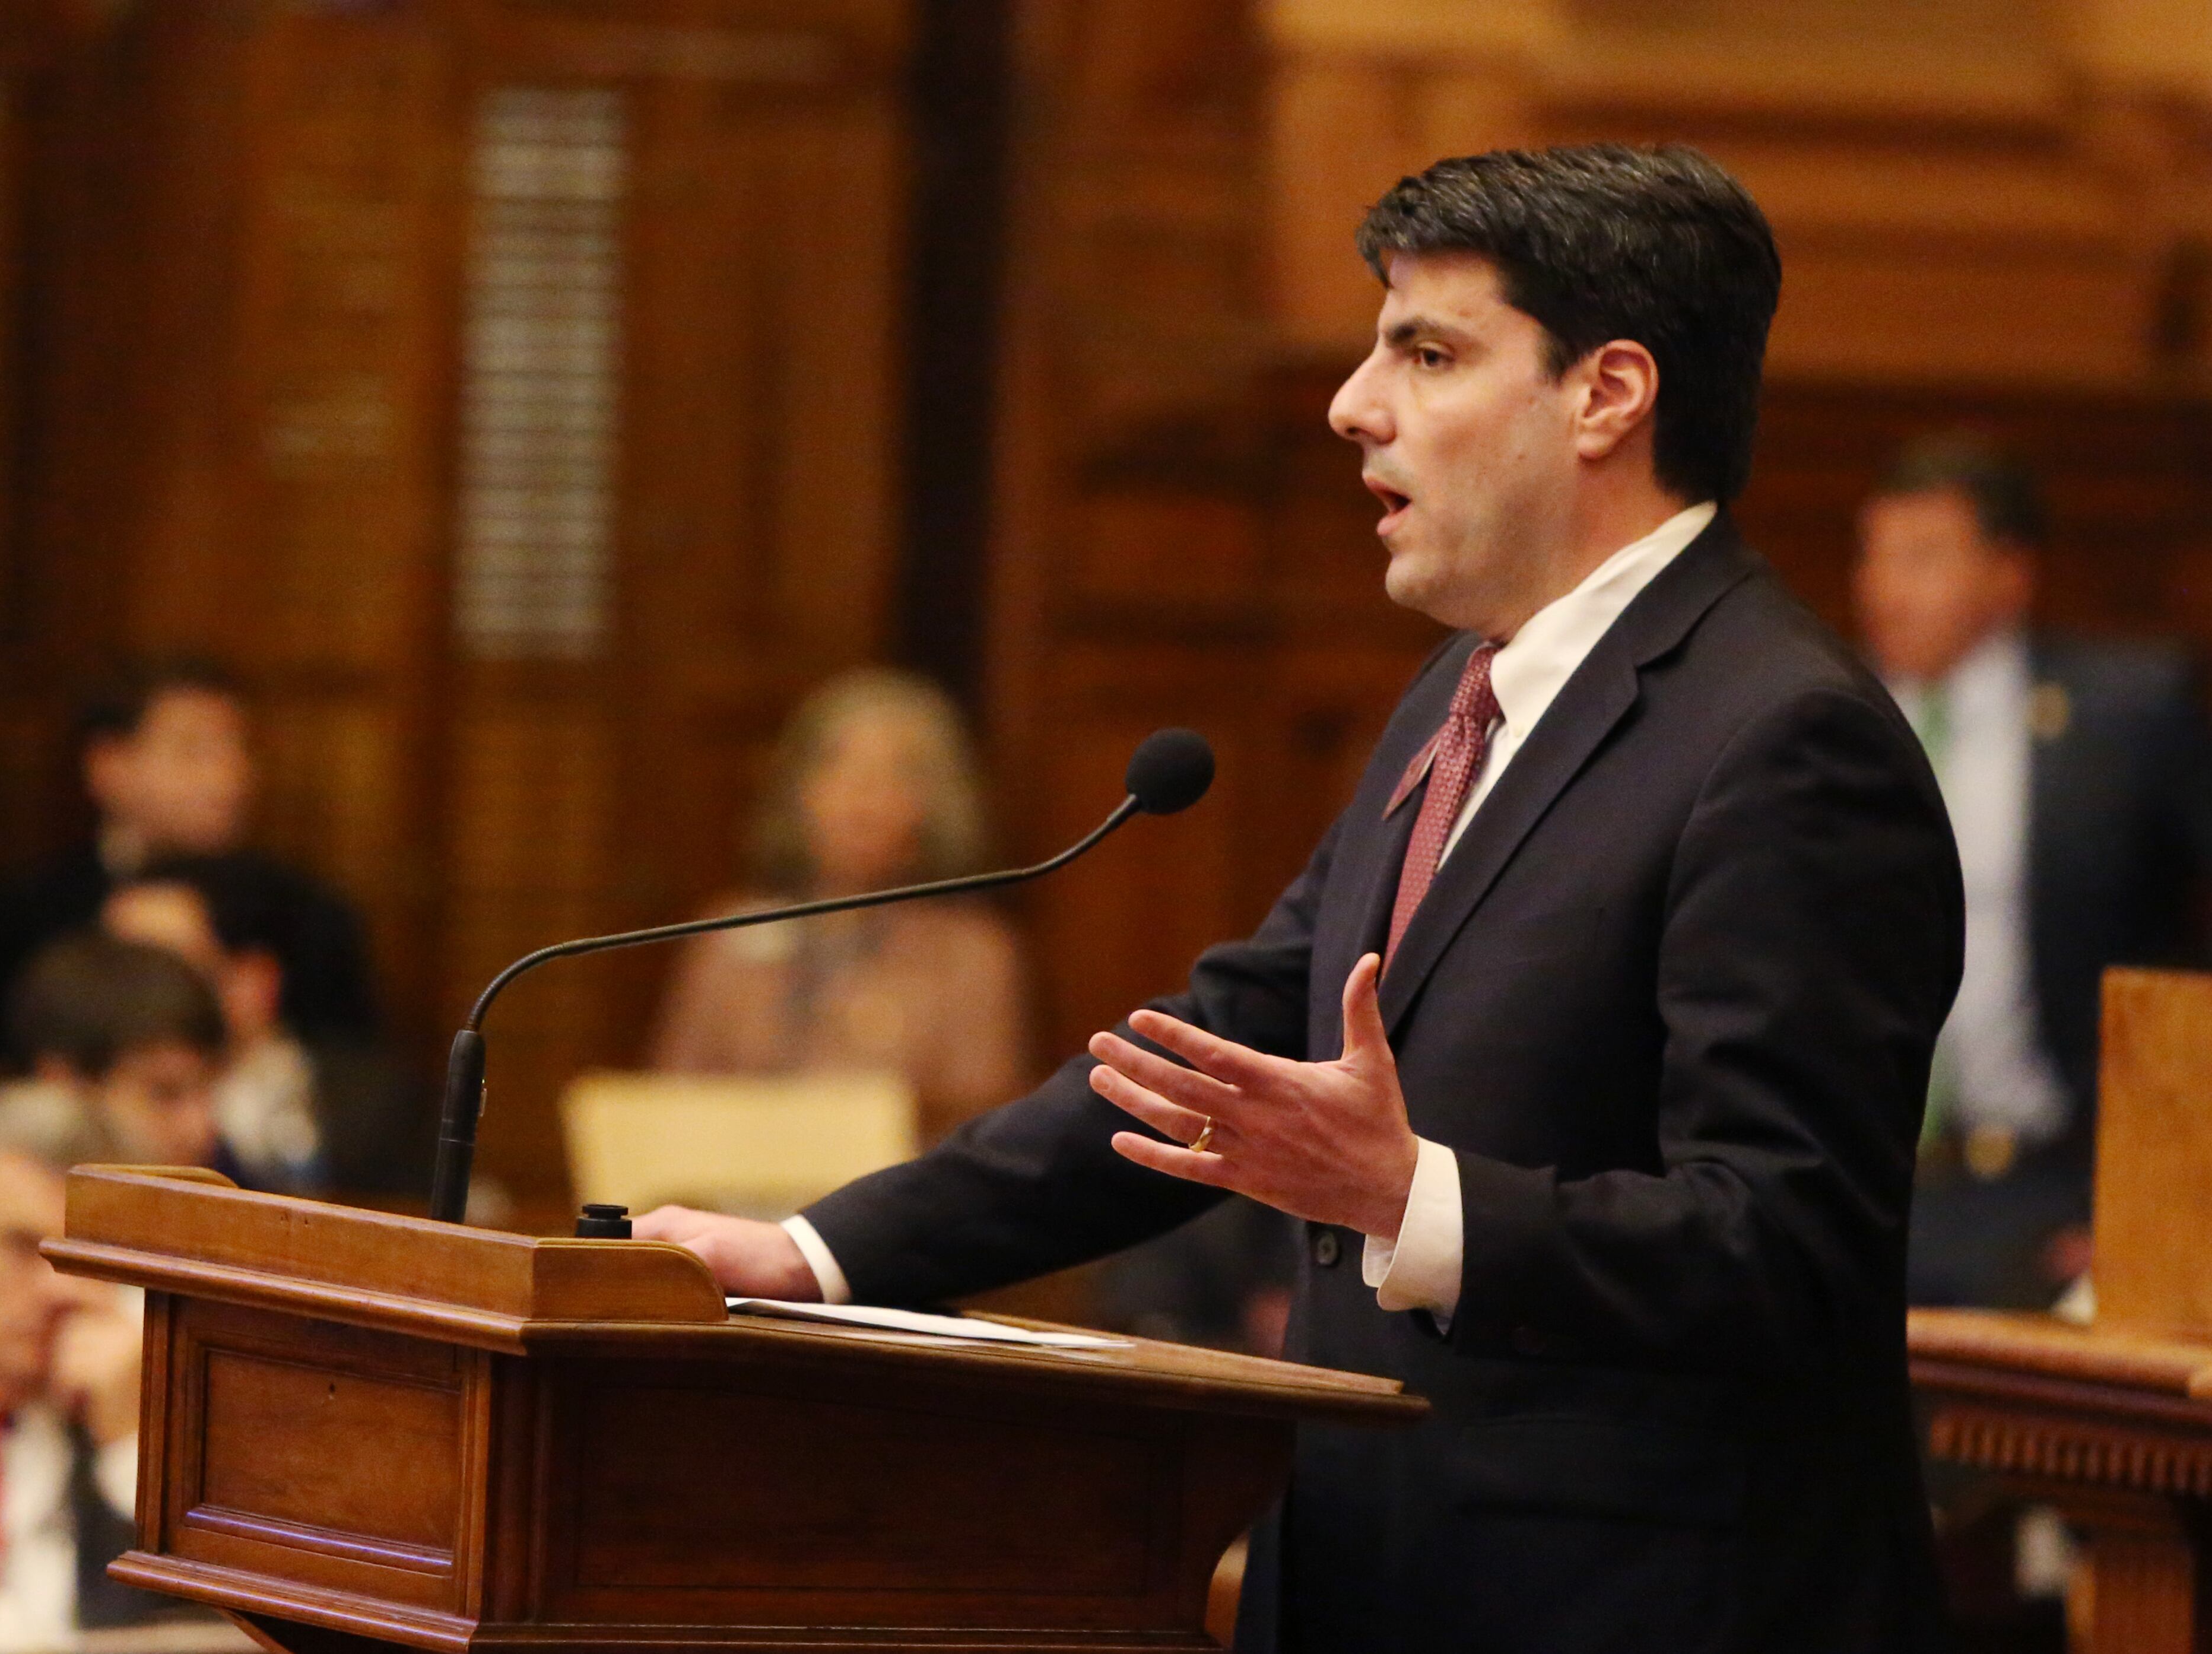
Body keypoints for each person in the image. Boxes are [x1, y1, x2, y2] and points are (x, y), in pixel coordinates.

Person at [637, 144, 1962, 1653]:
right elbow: (1211, 1061)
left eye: (1428, 351)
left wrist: (1414, 1197)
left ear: (1606, 394)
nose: (1353, 402)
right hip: (1356, 1572)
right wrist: (818, 1255)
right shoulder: (1461, 696)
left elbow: (1782, 1244)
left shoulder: (1785, 739)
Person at [1855, 433, 2212, 1309]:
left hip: (2049, 1189)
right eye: (1875, 555)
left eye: (1925, 556)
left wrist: (2150, 1199)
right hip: (1863, 1184)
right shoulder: (1824, 716)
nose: (1886, 587)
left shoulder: (2127, 715)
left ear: (2009, 575)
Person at [648, 668, 1027, 1147]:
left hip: (891, 1209)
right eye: (838, 764)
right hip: (730, 1204)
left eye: (897, 773)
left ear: (935, 803)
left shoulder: (973, 954)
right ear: (798, 788)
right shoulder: (730, 934)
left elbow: (980, 1129)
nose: (862, 795)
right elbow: (667, 1107)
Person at [0, 658, 378, 1059]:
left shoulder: (309, 914)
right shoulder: (15, 913)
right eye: (193, 751)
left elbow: (359, 1083)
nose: (229, 777)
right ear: (107, 765)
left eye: (237, 749)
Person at [0, 1080, 193, 1646]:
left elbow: (188, 1637)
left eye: (86, 1260)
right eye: (22, 1246)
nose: (59, 1291)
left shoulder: (141, 1452)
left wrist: (132, 1444)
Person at [103, 855, 430, 1195]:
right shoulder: (81, 1092)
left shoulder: (373, 1110)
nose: (119, 990)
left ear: (252, 982)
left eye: (159, 966)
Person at [8, 933, 226, 1173]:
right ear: (62, 1080)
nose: (201, 1130)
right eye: (164, 1093)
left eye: (211, 1088)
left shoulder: (237, 1174)